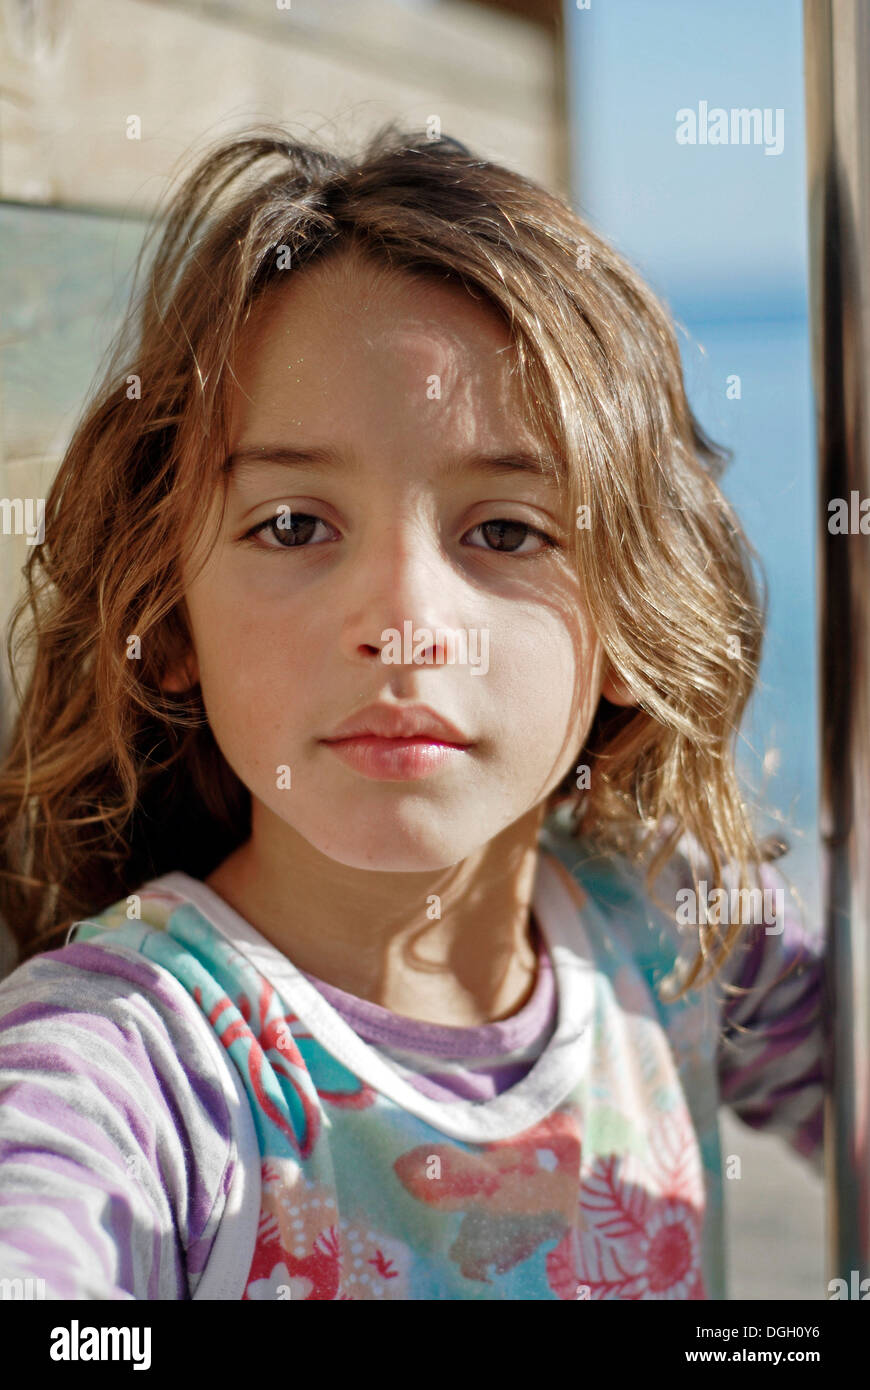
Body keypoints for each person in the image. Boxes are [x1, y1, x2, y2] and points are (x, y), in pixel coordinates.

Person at [0, 123, 823, 1300]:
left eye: (504, 531)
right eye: (294, 525)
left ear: (632, 627)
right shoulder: (128, 1073)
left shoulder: (671, 926)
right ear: (171, 622)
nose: (403, 620)